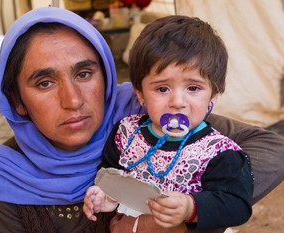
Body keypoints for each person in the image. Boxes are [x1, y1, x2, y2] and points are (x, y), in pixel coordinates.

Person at [0, 6, 284, 233]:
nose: (73, 100)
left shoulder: (143, 112)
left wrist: (183, 215)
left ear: (107, 75)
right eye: (45, 83)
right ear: (17, 100)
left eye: (85, 73)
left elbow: (271, 148)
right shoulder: (1, 181)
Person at [83, 15, 254, 232]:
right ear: (140, 94)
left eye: (193, 88)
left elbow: (237, 205)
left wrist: (190, 208)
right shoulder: (126, 133)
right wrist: (105, 195)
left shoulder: (221, 153)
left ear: (213, 94)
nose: (177, 102)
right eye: (162, 89)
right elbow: (110, 171)